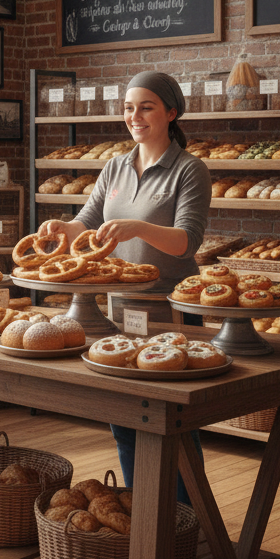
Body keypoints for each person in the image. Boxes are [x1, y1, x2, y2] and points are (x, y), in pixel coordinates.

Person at [37, 70, 211, 502]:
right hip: (120, 308)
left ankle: (186, 521)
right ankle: (142, 514)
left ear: (171, 113)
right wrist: (64, 225)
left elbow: (187, 240)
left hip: (169, 309)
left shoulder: (190, 170)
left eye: (146, 107)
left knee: (174, 425)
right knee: (126, 418)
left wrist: (139, 228)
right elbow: (88, 223)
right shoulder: (115, 165)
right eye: (129, 108)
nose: (135, 116)